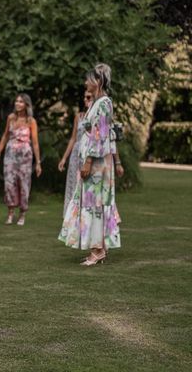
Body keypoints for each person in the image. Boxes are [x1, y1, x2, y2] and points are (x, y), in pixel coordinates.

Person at [58, 65, 122, 266]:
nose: (86, 83)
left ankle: (98, 250)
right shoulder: (97, 103)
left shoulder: (104, 104)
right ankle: (98, 248)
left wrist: (87, 162)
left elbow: (100, 136)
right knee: (91, 205)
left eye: (89, 80)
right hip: (93, 163)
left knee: (95, 205)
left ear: (99, 81)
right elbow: (89, 130)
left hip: (96, 165)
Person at [0, 93, 42, 226]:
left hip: (25, 156)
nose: (17, 104)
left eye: (21, 102)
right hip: (10, 155)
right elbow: (4, 136)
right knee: (9, 184)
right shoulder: (11, 118)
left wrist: (38, 163)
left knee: (24, 184)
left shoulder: (31, 121)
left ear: (26, 104)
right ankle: (10, 213)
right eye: (16, 101)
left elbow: (35, 143)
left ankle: (22, 214)